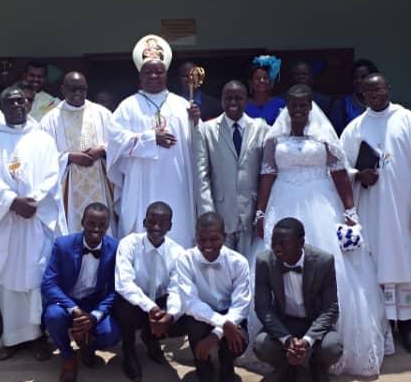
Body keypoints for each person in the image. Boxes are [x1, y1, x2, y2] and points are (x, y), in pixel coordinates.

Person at [257, 85, 388, 374]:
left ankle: (323, 348)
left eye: (304, 105)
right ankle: (285, 347)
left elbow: (339, 173)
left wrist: (350, 211)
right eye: (293, 105)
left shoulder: (324, 133)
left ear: (310, 105)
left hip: (320, 201)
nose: (298, 110)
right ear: (287, 106)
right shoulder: (275, 135)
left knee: (331, 266)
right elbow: (267, 173)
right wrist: (261, 212)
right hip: (283, 201)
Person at [342, 73, 411, 354]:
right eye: (370, 92)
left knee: (408, 265)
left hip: (406, 213)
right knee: (375, 267)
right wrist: (359, 176)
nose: (376, 95)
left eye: (380, 90)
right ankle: (382, 329)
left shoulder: (409, 121)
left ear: (388, 89)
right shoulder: (355, 128)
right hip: (371, 214)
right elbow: (341, 169)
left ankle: (408, 328)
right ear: (362, 96)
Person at [0, 86, 65, 361]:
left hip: (37, 219)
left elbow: (53, 174)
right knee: (11, 280)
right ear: (1, 108)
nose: (17, 106)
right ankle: (14, 338)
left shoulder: (42, 138)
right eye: (11, 102)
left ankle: (41, 336)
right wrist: (12, 202)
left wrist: (34, 201)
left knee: (39, 277)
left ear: (29, 105)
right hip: (9, 223)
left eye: (22, 101)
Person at [107, 35, 195, 240]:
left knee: (179, 231)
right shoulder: (127, 106)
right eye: (148, 72)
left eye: (159, 71)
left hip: (177, 180)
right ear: (140, 75)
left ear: (166, 74)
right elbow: (115, 140)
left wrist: (197, 123)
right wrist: (150, 139)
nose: (154, 75)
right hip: (141, 179)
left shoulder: (182, 105)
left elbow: (194, 145)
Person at [253, 217, 343, 382]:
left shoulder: (323, 261)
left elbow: (331, 308)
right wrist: (287, 339)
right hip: (284, 322)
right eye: (274, 242)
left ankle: (317, 366)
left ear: (301, 242)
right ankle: (287, 365)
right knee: (261, 346)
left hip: (313, 321)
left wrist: (307, 341)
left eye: (283, 243)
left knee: (332, 347)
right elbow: (263, 308)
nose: (277, 248)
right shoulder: (264, 262)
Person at [172, 212, 252, 382]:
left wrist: (217, 334)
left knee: (238, 340)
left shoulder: (238, 262)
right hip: (201, 314)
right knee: (194, 325)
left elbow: (241, 305)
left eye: (214, 238)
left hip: (231, 314)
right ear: (195, 237)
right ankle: (204, 373)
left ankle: (227, 364)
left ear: (224, 237)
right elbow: (190, 302)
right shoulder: (185, 259)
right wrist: (223, 324)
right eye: (202, 238)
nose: (207, 244)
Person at [40, 203, 120, 382]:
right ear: (82, 222)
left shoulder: (115, 248)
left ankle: (87, 347)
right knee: (53, 316)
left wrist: (95, 316)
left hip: (94, 303)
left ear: (108, 226)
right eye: (91, 223)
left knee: (112, 334)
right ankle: (68, 357)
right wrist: (74, 309)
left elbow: (116, 289)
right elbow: (48, 283)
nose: (96, 229)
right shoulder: (63, 244)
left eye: (101, 225)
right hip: (68, 302)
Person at [113, 201, 188, 382]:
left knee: (185, 315)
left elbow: (177, 289)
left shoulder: (178, 252)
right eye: (152, 222)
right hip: (136, 301)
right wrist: (150, 307)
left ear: (170, 226)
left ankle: (153, 339)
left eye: (162, 223)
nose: (156, 227)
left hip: (160, 301)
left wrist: (169, 315)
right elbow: (124, 284)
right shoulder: (129, 243)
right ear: (144, 222)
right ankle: (129, 352)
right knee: (126, 307)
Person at [195, 80, 267, 259]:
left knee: (249, 268)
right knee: (221, 266)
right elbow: (201, 175)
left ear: (246, 100)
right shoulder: (207, 129)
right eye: (228, 98)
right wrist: (208, 214)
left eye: (238, 98)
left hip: (250, 213)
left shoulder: (260, 128)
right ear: (221, 100)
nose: (233, 103)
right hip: (221, 213)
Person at [40, 72, 117, 235]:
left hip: (100, 182)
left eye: (82, 89)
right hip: (68, 188)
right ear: (62, 89)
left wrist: (102, 150)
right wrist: (69, 157)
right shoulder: (50, 119)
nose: (78, 94)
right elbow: (41, 156)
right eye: (72, 89)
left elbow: (119, 143)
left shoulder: (102, 114)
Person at [329, 58, 379, 136]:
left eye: (363, 77)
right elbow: (336, 134)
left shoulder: (381, 102)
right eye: (355, 78)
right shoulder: (342, 104)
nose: (359, 80)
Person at [245, 57, 286, 125]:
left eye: (265, 78)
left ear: (271, 82)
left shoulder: (280, 104)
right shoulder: (243, 105)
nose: (262, 81)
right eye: (258, 78)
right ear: (251, 82)